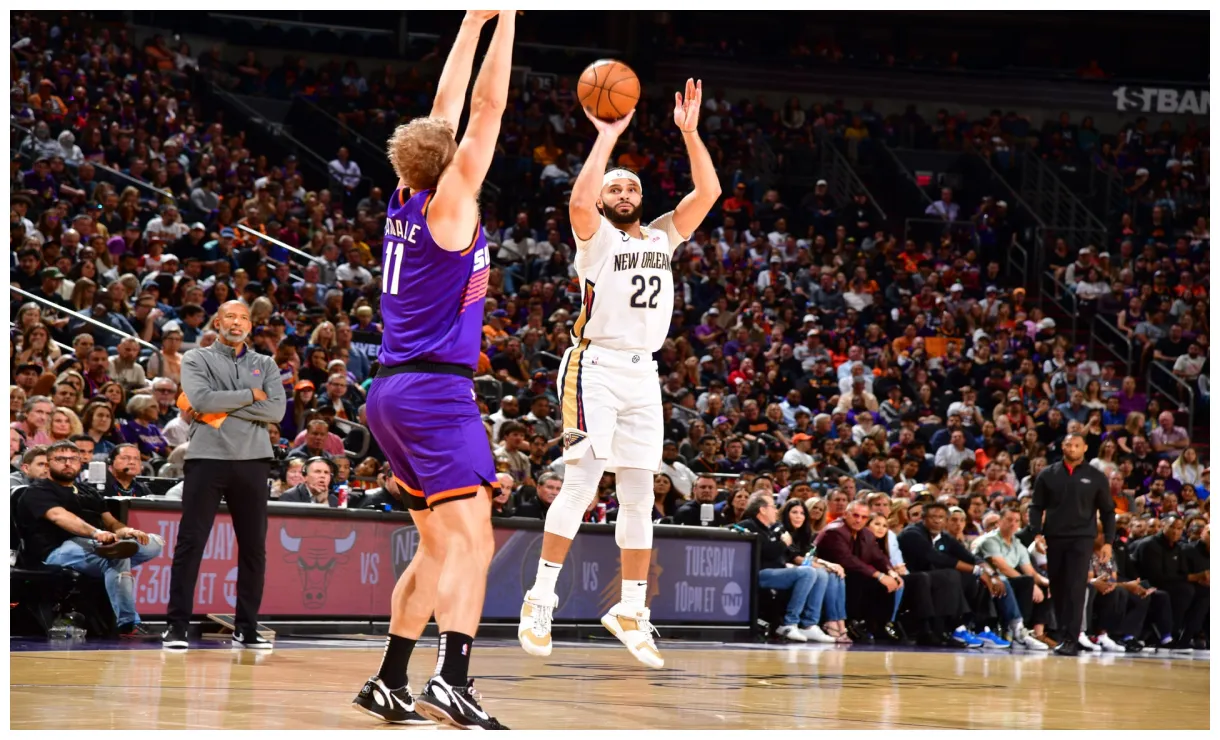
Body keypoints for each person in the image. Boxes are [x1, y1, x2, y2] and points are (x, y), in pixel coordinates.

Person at [518, 76, 721, 671]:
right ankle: (540, 598)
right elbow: (579, 202)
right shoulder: (595, 237)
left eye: (632, 185)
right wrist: (605, 139)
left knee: (639, 494)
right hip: (595, 366)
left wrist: (690, 133)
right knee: (582, 483)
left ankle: (631, 608)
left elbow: (707, 191)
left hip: (642, 373)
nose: (625, 191)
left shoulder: (661, 235)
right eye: (616, 187)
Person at [350, 11, 514, 731]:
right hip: (433, 392)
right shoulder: (450, 203)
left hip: (390, 391)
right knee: (475, 541)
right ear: (450, 163)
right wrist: (510, 18)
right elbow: (485, 106)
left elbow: (445, 110)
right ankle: (452, 678)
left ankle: (389, 680)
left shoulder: (405, 195)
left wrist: (472, 20)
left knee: (440, 543)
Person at [162, 301, 285, 652]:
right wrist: (250, 396)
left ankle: (246, 628)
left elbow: (275, 409)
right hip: (206, 458)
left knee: (253, 550)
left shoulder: (266, 363)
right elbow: (199, 397)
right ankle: (176, 627)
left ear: (250, 325)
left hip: (254, 461)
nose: (237, 322)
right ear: (217, 322)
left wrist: (219, 405)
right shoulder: (197, 358)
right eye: (230, 317)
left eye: (244, 317)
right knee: (191, 543)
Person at [19, 440, 163, 636]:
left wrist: (125, 531)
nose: (67, 463)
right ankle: (128, 623)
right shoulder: (37, 491)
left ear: (81, 463)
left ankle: (116, 549)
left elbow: (111, 522)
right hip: (56, 549)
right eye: (61, 459)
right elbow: (59, 516)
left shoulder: (89, 491)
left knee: (155, 543)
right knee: (117, 558)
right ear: (49, 462)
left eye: (73, 459)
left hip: (94, 545)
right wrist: (97, 533)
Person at [1028, 432, 1116, 656]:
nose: (1072, 448)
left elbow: (1107, 511)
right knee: (1057, 587)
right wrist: (1037, 533)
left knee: (1076, 586)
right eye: (1068, 444)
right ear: (1062, 446)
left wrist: (1108, 541)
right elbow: (1036, 506)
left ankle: (1071, 638)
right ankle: (1062, 634)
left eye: (1077, 445)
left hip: (1082, 538)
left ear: (1085, 448)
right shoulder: (1048, 474)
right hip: (1054, 536)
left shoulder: (1096, 476)